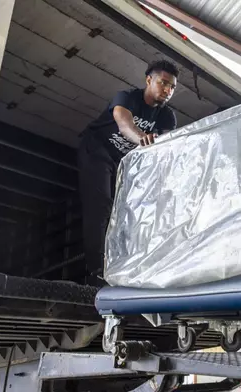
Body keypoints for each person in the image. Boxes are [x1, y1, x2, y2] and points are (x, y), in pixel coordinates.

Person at [78, 60, 178, 285]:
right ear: (149, 80)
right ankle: (96, 271)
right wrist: (143, 138)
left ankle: (124, 266)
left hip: (121, 162)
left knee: (128, 210)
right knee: (101, 204)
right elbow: (124, 125)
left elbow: (165, 149)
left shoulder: (167, 117)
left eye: (172, 87)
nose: (167, 90)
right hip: (96, 149)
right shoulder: (127, 98)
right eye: (163, 83)